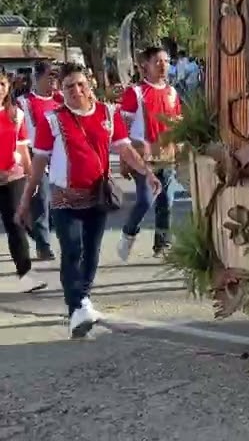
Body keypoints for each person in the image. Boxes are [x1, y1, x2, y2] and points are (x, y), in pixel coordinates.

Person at [19, 62, 158, 338]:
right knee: (72, 251)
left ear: (90, 86)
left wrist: (147, 171)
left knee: (91, 253)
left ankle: (82, 300)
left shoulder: (108, 113)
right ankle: (77, 308)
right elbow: (39, 161)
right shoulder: (53, 120)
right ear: (62, 90)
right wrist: (26, 198)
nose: (75, 90)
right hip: (63, 198)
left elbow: (125, 149)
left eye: (80, 84)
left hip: (97, 195)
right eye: (69, 86)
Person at [116, 46, 184, 260]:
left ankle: (162, 244)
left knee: (167, 201)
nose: (163, 65)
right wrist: (124, 159)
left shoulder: (172, 92)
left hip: (167, 155)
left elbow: (177, 123)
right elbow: (123, 127)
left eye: (166, 61)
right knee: (146, 201)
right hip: (142, 157)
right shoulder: (135, 92)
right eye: (158, 61)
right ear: (146, 65)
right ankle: (128, 233)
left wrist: (180, 149)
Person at [0, 74, 46, 293]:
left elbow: (22, 149)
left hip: (12, 178)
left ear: (8, 87)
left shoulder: (15, 114)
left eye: (2, 84)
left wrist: (30, 177)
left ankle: (26, 274)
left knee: (16, 226)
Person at [16, 60, 58, 260]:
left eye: (56, 76)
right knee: (41, 200)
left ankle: (31, 226)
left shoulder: (60, 101)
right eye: (50, 76)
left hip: (58, 156)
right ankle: (44, 245)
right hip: (35, 155)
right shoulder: (24, 102)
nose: (53, 80)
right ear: (38, 77)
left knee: (54, 203)